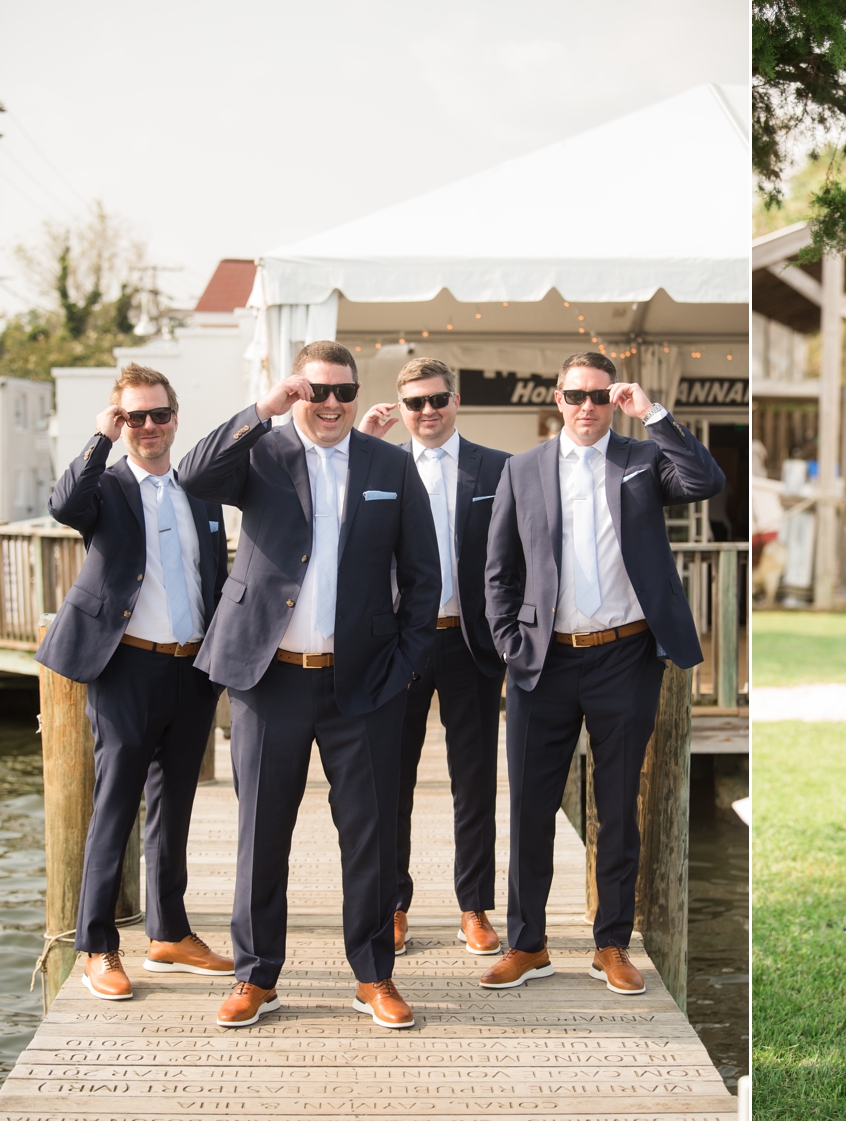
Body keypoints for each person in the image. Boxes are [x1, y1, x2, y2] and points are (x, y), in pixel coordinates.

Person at [177, 340, 441, 1029]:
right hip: (269, 680)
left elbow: (423, 574)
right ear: (296, 389)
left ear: (358, 393)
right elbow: (193, 472)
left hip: (365, 683)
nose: (330, 405)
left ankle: (374, 974)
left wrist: (406, 661)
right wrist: (265, 407)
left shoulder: (389, 462)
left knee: (372, 836)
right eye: (316, 390)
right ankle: (255, 974)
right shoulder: (260, 453)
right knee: (263, 832)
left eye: (342, 392)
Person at [483, 352, 724, 995]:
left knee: (618, 806)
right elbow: (499, 569)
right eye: (574, 395)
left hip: (626, 656)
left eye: (598, 395)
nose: (586, 407)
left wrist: (654, 416)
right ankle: (527, 943)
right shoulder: (522, 469)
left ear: (613, 399)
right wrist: (511, 641)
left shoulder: (642, 460)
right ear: (556, 400)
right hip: (543, 662)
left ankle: (611, 943)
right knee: (531, 808)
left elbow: (705, 482)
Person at [36, 363, 233, 999]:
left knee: (175, 805)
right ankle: (96, 943)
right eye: (134, 417)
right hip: (125, 667)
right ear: (120, 423)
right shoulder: (106, 488)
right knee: (116, 807)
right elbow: (64, 504)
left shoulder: (199, 491)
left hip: (192, 667)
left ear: (176, 418)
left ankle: (169, 932)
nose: (149, 427)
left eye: (159, 414)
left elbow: (212, 579)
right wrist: (98, 438)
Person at [358, 357, 510, 957]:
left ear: (456, 401)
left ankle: (473, 906)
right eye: (415, 403)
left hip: (472, 644)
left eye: (437, 400)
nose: (427, 412)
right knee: (390, 782)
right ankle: (394, 903)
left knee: (474, 783)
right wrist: (365, 444)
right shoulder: (380, 466)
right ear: (400, 407)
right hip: (402, 643)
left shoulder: (498, 467)